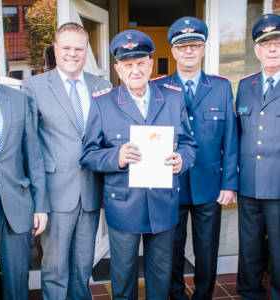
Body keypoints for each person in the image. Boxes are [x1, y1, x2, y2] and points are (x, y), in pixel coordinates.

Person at [80, 29, 197, 300]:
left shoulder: (172, 98)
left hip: (163, 203)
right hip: (124, 205)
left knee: (161, 277)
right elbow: (88, 154)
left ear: (151, 65)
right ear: (118, 69)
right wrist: (116, 157)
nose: (136, 70)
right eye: (128, 65)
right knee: (123, 278)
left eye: (141, 63)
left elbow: (190, 145)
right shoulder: (103, 104)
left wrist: (183, 159)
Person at [24, 22, 112, 300]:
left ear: (87, 51)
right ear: (55, 49)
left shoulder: (103, 86)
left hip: (90, 193)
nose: (73, 53)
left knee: (82, 267)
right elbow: (29, 146)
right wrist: (36, 200)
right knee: (55, 270)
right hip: (55, 193)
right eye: (66, 48)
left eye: (79, 48)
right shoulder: (35, 86)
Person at [154, 17, 238, 300]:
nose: (189, 51)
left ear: (203, 49)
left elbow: (231, 139)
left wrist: (229, 184)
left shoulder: (221, 87)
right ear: (174, 51)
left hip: (209, 184)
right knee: (172, 249)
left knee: (206, 250)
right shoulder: (159, 87)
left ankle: (203, 296)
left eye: (195, 45)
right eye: (182, 46)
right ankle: (176, 296)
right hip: (170, 183)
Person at [0, 29, 49, 299]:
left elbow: (34, 156)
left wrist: (40, 204)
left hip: (17, 211)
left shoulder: (19, 100)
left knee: (17, 287)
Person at [236, 13, 280, 300]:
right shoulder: (245, 85)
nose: (273, 48)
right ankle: (250, 294)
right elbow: (238, 133)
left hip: (278, 186)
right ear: (257, 50)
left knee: (279, 251)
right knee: (249, 248)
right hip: (249, 185)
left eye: (278, 42)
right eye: (266, 44)